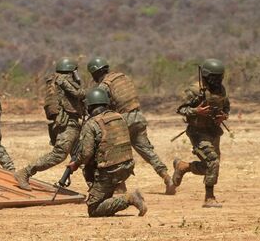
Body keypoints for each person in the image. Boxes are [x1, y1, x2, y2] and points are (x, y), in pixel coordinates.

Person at [87, 57, 175, 195]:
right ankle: (166, 177)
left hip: (123, 120)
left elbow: (103, 108)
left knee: (114, 153)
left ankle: (120, 186)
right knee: (147, 150)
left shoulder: (104, 86)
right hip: (138, 117)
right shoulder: (123, 77)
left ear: (95, 73)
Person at [67, 88, 147, 217]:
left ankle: (130, 198)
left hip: (110, 171)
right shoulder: (119, 117)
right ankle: (108, 198)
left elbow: (86, 154)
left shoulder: (92, 123)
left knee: (94, 209)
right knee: (103, 199)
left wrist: (75, 163)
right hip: (127, 166)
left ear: (90, 106)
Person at [14, 57, 84, 190]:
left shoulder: (54, 80)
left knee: (83, 155)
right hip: (67, 122)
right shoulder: (64, 80)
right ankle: (25, 172)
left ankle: (99, 187)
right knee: (59, 154)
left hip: (69, 122)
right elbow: (78, 93)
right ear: (71, 71)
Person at [172, 58, 230, 208]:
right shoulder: (195, 90)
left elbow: (226, 107)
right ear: (205, 76)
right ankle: (209, 198)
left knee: (209, 167)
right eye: (214, 77)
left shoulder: (221, 90)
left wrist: (224, 116)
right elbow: (180, 109)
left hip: (214, 132)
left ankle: (184, 166)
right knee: (213, 161)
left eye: (220, 77)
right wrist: (196, 111)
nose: (217, 80)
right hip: (197, 132)